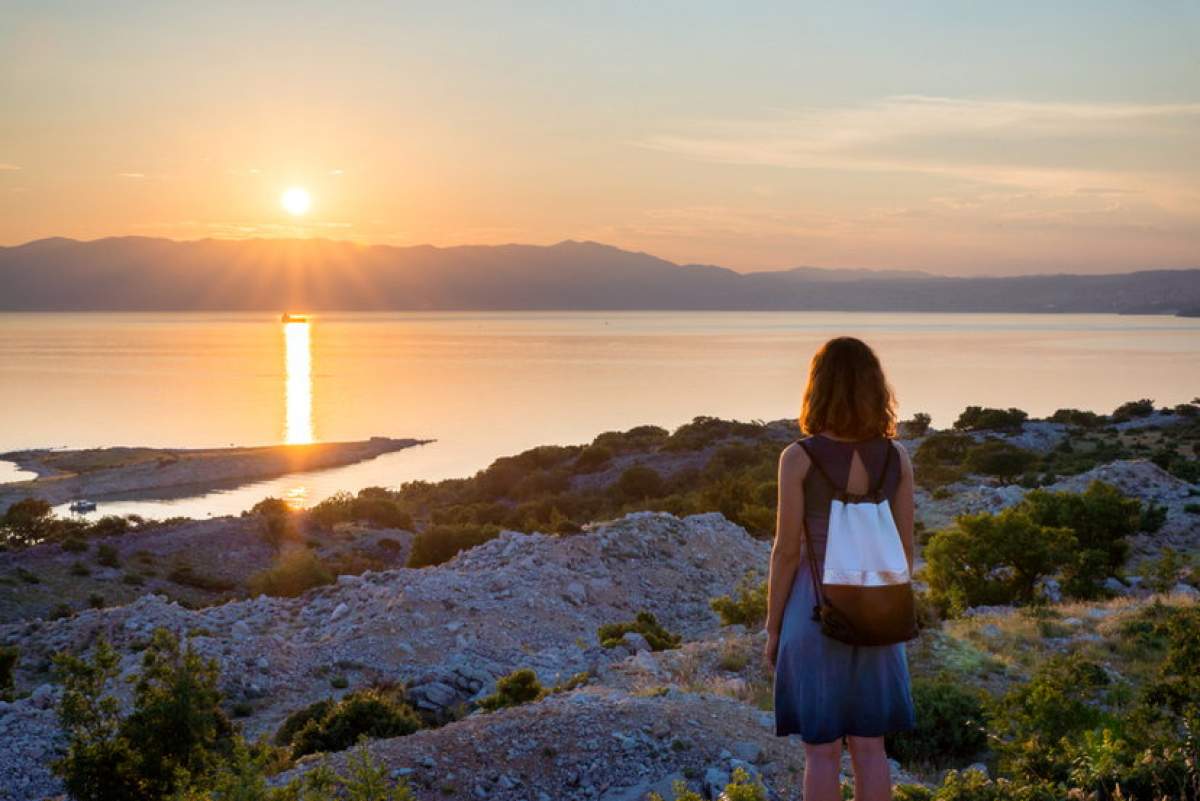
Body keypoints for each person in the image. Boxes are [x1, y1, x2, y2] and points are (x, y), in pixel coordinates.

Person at [764, 336, 916, 801]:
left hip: (814, 608)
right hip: (877, 604)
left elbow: (787, 550)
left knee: (821, 751)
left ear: (819, 387)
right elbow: (905, 548)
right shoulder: (896, 456)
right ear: (875, 389)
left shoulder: (798, 458)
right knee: (872, 748)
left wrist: (773, 629)